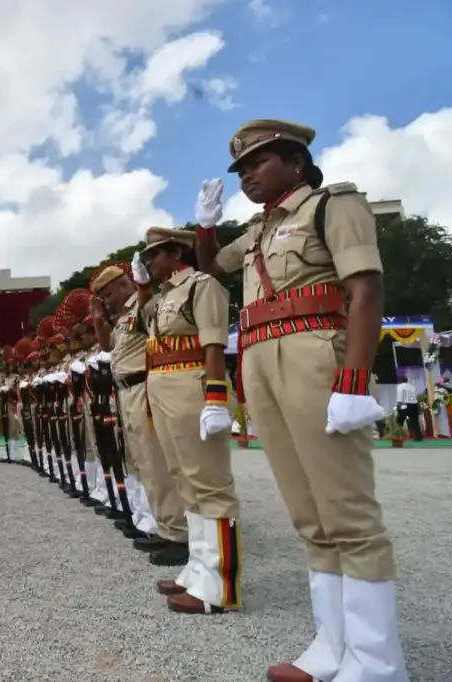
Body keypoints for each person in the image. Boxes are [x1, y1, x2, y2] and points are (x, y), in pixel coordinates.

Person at [194, 119, 408, 681]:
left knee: (348, 514)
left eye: (257, 164)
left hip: (315, 355)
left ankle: (378, 662)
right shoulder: (260, 232)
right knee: (309, 516)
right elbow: (210, 266)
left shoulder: (330, 207)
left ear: (295, 161)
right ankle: (334, 646)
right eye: (240, 169)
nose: (246, 176)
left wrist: (354, 381)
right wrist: (205, 227)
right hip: (262, 361)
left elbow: (365, 290)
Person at [135, 227, 241, 616]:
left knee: (208, 481)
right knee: (183, 478)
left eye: (155, 253)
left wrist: (215, 395)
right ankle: (198, 569)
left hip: (191, 381)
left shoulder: (202, 285)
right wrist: (145, 288)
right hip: (162, 384)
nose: (148, 259)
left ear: (176, 251)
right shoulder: (164, 294)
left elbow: (214, 342)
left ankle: (219, 585)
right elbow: (141, 328)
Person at [90, 262, 190, 566]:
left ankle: (179, 534)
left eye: (109, 295)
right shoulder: (121, 316)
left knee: (158, 463)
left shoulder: (145, 303)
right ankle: (165, 526)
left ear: (125, 285)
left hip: (144, 386)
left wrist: (142, 290)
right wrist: (99, 317)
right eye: (103, 298)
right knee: (144, 463)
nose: (107, 302)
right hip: (126, 391)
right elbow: (108, 345)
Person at [395, 374, 423, 441]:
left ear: (400, 381)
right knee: (415, 421)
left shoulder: (400, 386)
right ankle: (418, 437)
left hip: (405, 404)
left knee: (399, 421)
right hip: (414, 405)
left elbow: (400, 397)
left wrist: (399, 406)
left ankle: (397, 435)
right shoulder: (412, 386)